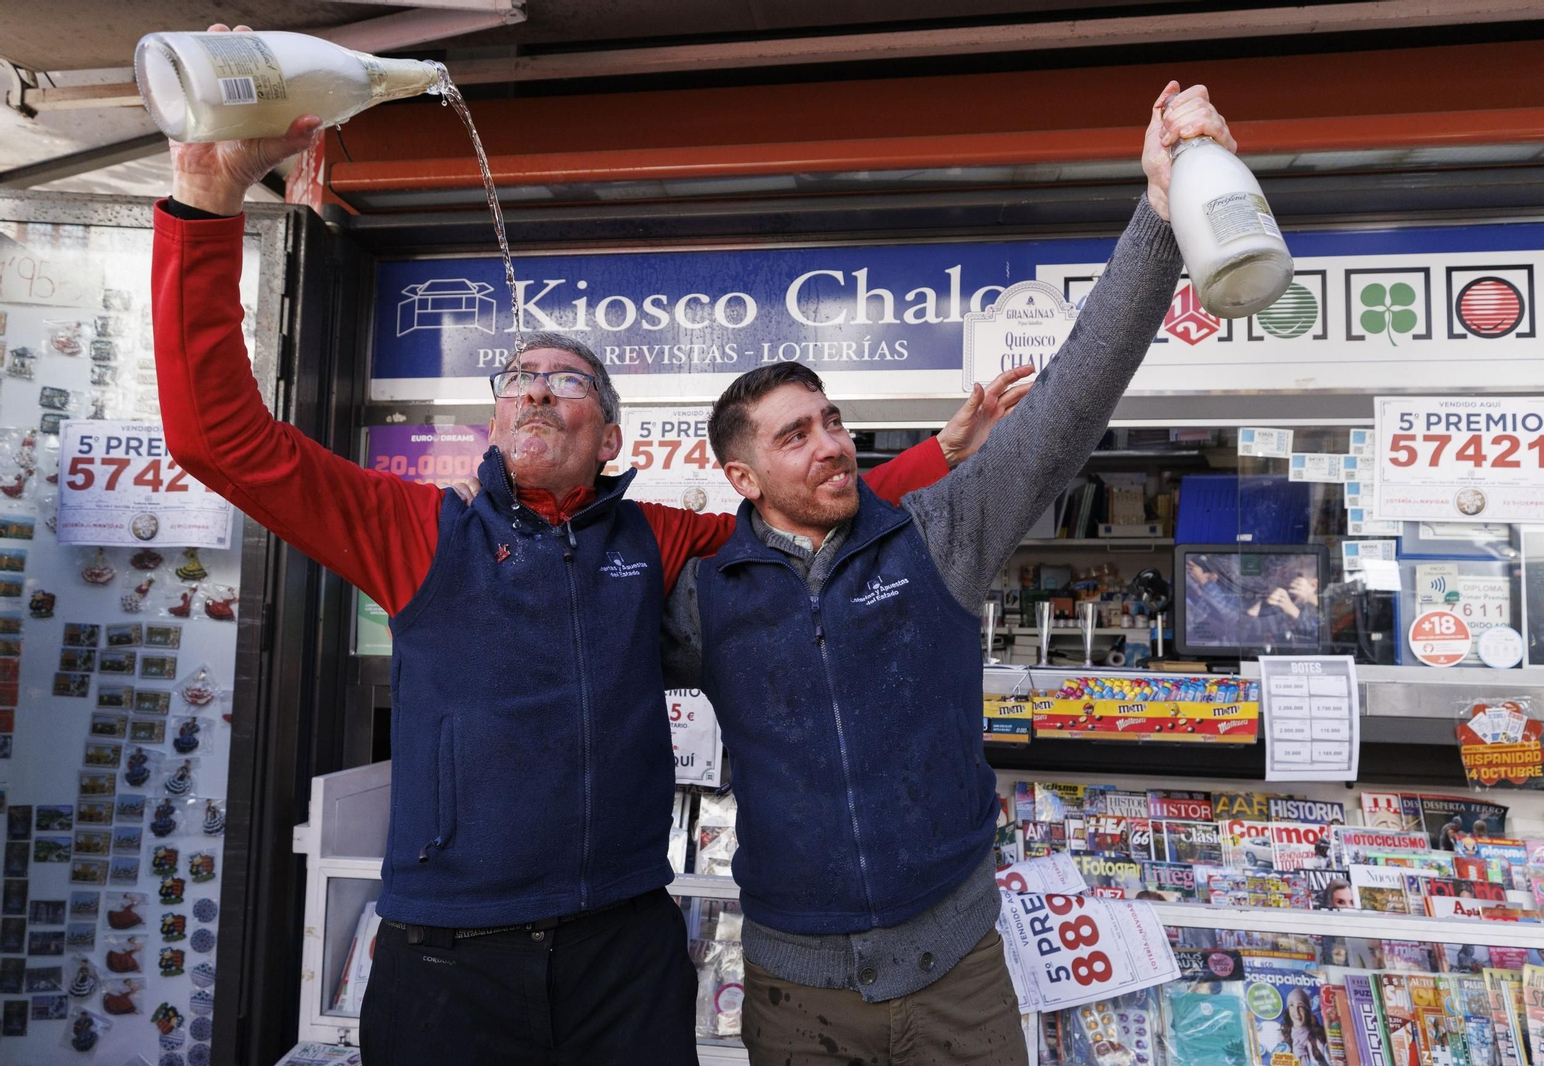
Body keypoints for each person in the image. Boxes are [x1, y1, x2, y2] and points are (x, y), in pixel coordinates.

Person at [152, 24, 1029, 1066]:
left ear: (607, 436)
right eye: (517, 377)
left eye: (566, 379)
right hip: (447, 954)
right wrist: (203, 201)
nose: (535, 385)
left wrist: (941, 452)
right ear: (492, 424)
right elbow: (219, 439)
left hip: (625, 942)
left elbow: (801, 513)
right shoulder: (415, 532)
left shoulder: (652, 540)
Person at [660, 82, 1229, 1064]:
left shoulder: (937, 531)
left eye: (832, 420)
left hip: (957, 975)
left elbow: (1066, 404)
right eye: (796, 435)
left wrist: (1159, 214)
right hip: (794, 993)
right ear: (741, 476)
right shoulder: (704, 591)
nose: (830, 444)